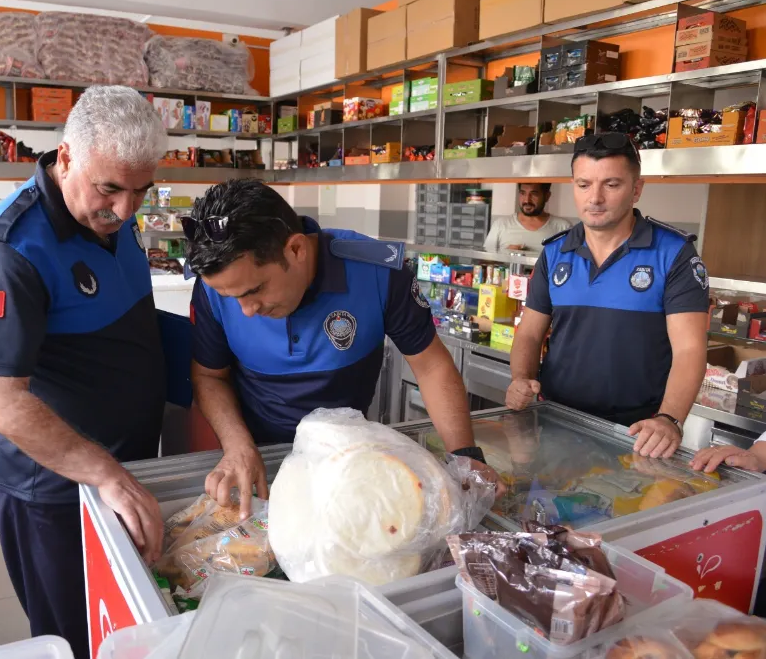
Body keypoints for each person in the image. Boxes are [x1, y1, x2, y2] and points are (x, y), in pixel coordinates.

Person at [0, 86, 167, 659]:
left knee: (126, 628)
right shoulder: (13, 250)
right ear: (66, 156)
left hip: (116, 471)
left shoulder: (109, 217)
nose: (126, 211)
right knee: (75, 638)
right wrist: (105, 474)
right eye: (110, 189)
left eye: (140, 191)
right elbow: (0, 403)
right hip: (53, 492)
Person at [185, 179, 503, 520]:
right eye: (231, 297)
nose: (246, 309)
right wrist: (237, 447)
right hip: (255, 464)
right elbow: (208, 374)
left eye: (255, 290)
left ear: (295, 250)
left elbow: (431, 366)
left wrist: (465, 456)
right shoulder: (214, 291)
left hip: (348, 466)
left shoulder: (378, 273)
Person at [505, 132, 709, 460]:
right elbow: (529, 332)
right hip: (556, 422)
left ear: (636, 190)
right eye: (584, 185)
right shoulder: (555, 252)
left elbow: (689, 349)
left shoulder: (674, 253)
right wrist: (521, 378)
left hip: (638, 434)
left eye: (611, 185)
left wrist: (669, 418)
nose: (595, 198)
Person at [484, 183, 573, 252]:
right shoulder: (500, 224)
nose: (527, 200)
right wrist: (505, 254)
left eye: (534, 194)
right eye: (523, 193)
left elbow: (572, 263)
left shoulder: (563, 228)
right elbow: (484, 262)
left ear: (547, 196)